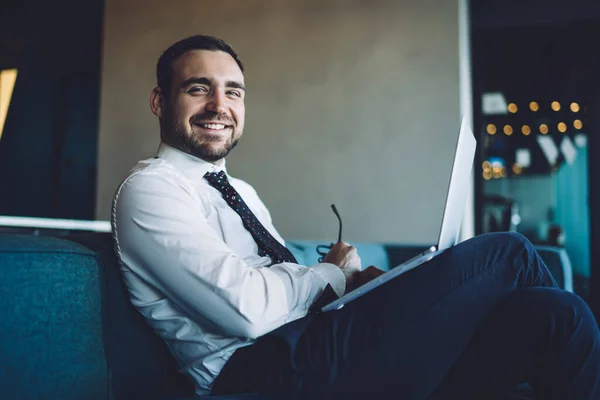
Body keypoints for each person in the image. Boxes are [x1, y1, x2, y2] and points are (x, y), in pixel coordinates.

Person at [112, 35, 600, 400]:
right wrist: (330, 274)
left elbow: (278, 290)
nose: (220, 106)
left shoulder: (241, 192)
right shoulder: (151, 190)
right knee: (508, 251)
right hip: (259, 374)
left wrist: (358, 286)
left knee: (559, 316)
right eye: (200, 88)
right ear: (160, 101)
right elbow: (247, 313)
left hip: (320, 346)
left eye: (234, 92)